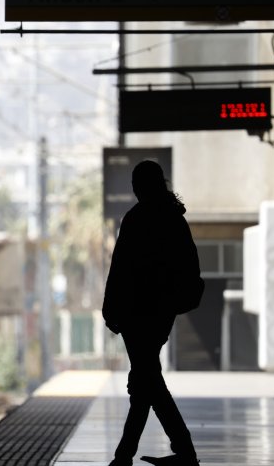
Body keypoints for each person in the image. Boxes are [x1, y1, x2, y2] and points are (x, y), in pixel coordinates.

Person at [102, 160, 200, 466]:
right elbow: (188, 266)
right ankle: (175, 452)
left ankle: (135, 455)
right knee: (146, 381)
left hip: (134, 314)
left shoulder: (136, 218)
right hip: (161, 313)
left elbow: (120, 268)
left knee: (146, 382)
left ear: (141, 186)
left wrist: (111, 308)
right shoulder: (174, 218)